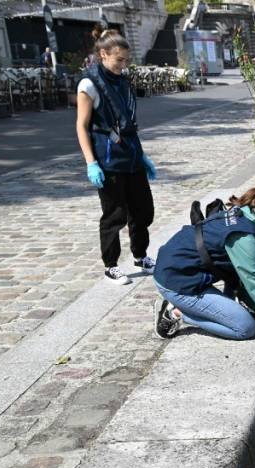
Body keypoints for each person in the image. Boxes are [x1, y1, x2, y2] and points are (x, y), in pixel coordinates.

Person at [151, 188, 255, 351]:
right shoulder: (245, 238)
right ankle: (178, 313)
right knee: (245, 328)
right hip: (177, 280)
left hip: (183, 268)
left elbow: (239, 275)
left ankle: (185, 307)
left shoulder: (245, 214)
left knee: (243, 314)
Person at [75, 27, 157, 285]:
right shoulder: (89, 84)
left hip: (131, 155)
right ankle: (111, 265)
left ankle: (140, 255)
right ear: (103, 54)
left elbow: (128, 123)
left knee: (143, 211)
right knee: (114, 215)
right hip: (108, 160)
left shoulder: (122, 81)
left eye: (126, 60)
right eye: (119, 59)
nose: (123, 65)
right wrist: (91, 163)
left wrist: (142, 156)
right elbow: (81, 125)